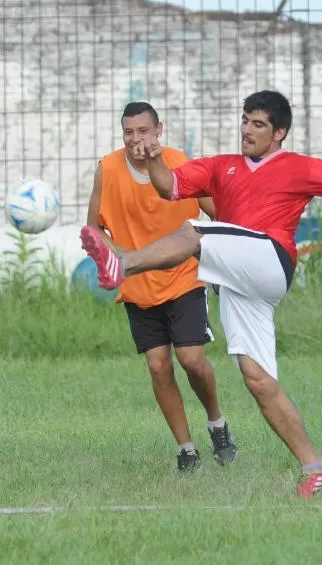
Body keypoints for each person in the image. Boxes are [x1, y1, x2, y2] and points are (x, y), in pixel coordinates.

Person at [80, 90, 322, 498]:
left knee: (194, 231)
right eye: (245, 121)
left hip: (270, 259)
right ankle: (316, 466)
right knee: (257, 379)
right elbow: (169, 188)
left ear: (279, 132)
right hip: (239, 278)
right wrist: (154, 158)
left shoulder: (298, 167)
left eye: (258, 124)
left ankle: (121, 264)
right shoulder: (222, 166)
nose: (247, 130)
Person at [86, 101, 237, 472]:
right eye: (128, 132)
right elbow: (94, 228)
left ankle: (217, 423)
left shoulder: (180, 162)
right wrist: (116, 255)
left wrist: (228, 258)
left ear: (159, 130)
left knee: (191, 359)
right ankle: (186, 449)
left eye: (143, 131)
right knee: (157, 366)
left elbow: (218, 214)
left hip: (183, 276)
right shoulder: (107, 169)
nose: (135, 139)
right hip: (138, 284)